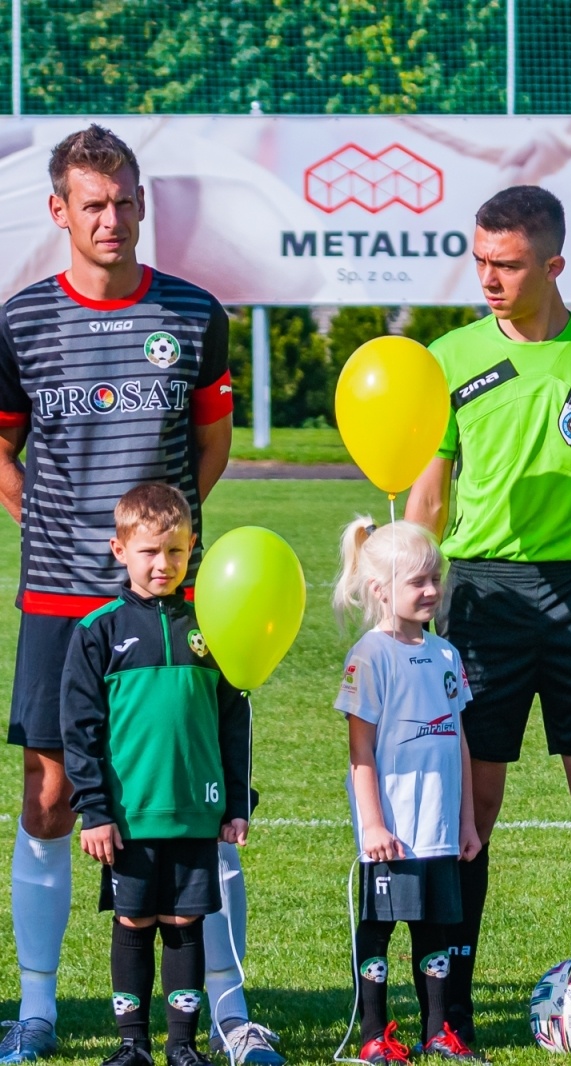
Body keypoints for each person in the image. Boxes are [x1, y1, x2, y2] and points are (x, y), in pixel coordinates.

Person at [0, 124, 281, 1066]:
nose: (111, 218)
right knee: (48, 798)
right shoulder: (20, 321)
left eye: (124, 202)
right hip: (59, 600)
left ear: (142, 204)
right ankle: (37, 1010)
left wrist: (164, 545)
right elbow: (3, 447)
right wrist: (46, 528)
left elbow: (212, 444)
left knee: (202, 797)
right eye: (92, 204)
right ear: (60, 211)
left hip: (173, 602)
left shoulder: (196, 313)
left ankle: (231, 1010)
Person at [405, 185, 571, 1049]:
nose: (488, 277)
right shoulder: (445, 359)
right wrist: (404, 592)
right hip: (481, 601)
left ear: (553, 265)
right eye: (480, 260)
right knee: (468, 816)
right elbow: (428, 488)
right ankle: (451, 1017)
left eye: (508, 264)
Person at [59, 484, 252, 1066]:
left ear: (193, 547)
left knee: (185, 920)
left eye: (174, 551)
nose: (162, 564)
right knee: (134, 918)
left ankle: (183, 1046)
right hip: (128, 813)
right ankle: (131, 1045)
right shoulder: (100, 630)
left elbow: (233, 719)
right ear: (119, 550)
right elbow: (80, 729)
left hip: (195, 806)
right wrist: (94, 810)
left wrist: (238, 802)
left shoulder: (211, 626)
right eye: (148, 552)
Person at [332, 518, 483, 1065]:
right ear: (381, 590)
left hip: (439, 827)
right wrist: (372, 824)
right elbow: (361, 751)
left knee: (435, 931)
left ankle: (438, 1031)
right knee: (378, 931)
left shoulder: (446, 655)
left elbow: (459, 740)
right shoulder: (369, 655)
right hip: (393, 830)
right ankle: (375, 1033)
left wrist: (466, 821)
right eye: (418, 581)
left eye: (435, 578)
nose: (431, 590)